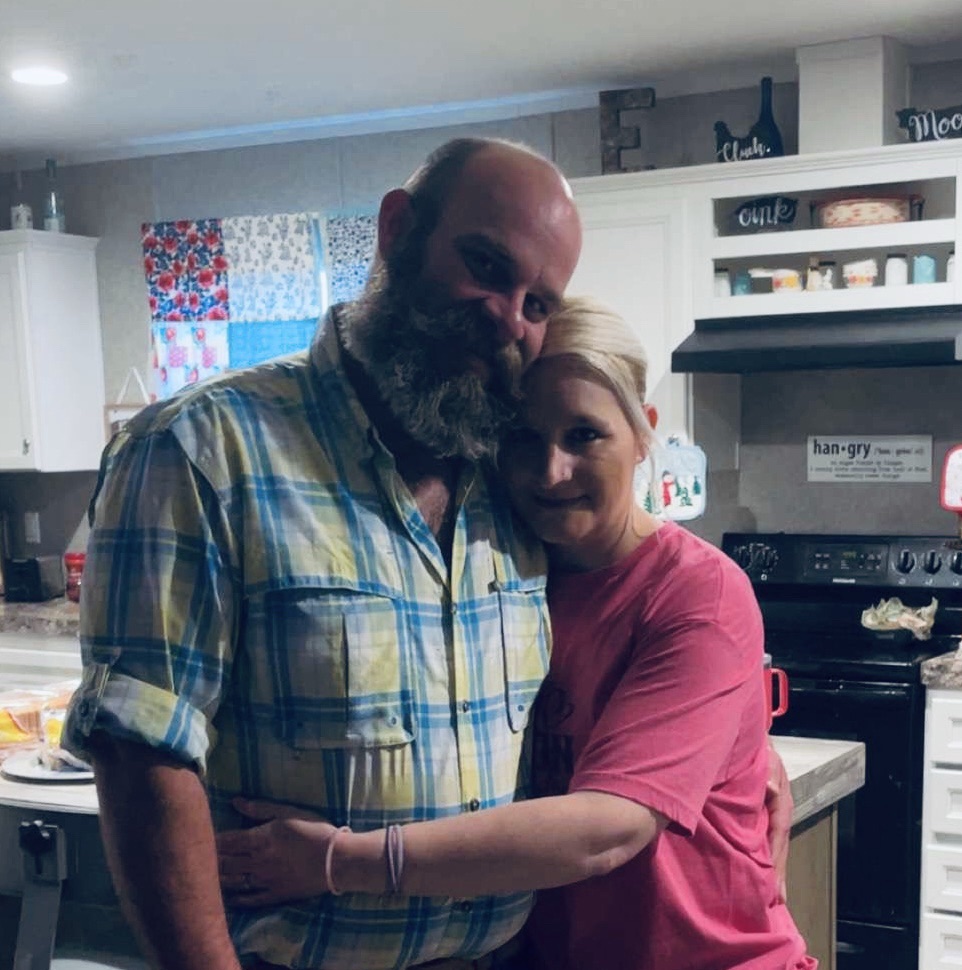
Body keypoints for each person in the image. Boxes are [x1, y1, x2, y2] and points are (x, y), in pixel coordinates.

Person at [63, 136, 582, 970]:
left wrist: (729, 749)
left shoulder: (519, 479)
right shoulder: (201, 449)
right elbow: (140, 756)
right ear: (397, 229)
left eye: (539, 303)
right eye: (486, 265)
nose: (507, 318)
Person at [217, 296, 814, 970]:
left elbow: (609, 826)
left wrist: (339, 860)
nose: (552, 471)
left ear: (643, 432)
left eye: (584, 435)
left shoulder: (696, 592)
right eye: (523, 438)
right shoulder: (505, 567)